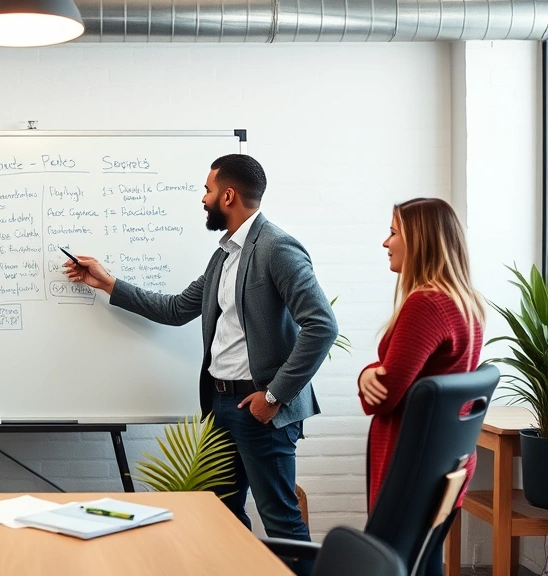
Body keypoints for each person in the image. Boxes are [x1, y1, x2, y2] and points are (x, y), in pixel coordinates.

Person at [65, 154, 336, 576]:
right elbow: (175, 309)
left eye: (208, 190)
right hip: (221, 406)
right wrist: (106, 281)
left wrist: (273, 396)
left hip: (259, 409)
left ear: (228, 195)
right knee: (223, 517)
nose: (203, 199)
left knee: (281, 521)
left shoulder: (277, 248)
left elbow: (322, 325)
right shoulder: (224, 256)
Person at [358, 197, 483, 576]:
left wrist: (367, 376)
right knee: (424, 563)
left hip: (408, 463)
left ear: (421, 240)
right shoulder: (465, 303)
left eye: (394, 232)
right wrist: (372, 370)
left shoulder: (426, 304)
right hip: (443, 464)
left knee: (392, 563)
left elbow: (386, 394)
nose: (386, 242)